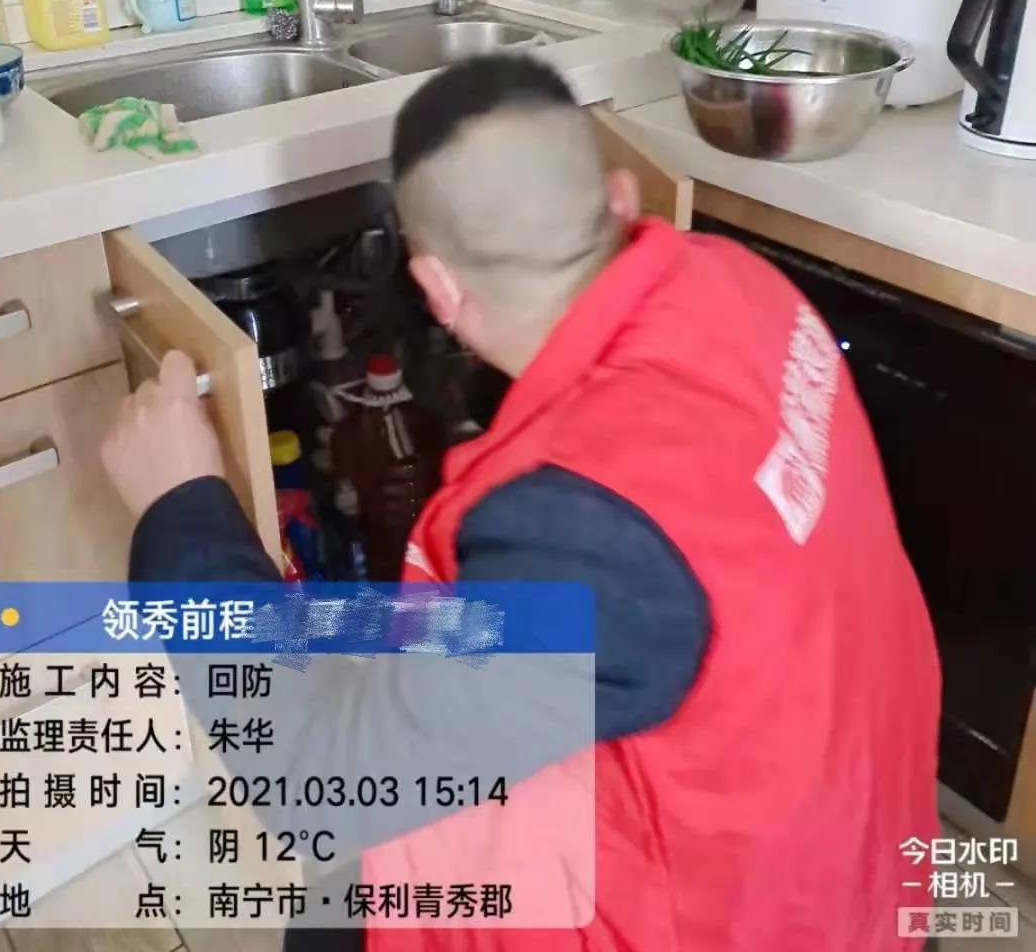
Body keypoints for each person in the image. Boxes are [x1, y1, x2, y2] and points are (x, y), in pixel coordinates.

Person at [102, 54, 941, 951]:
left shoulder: (582, 528)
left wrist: (183, 506)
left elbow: (323, 784)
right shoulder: (733, 280)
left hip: (741, 916)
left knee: (335, 911)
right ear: (620, 199)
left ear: (438, 290)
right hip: (859, 850)